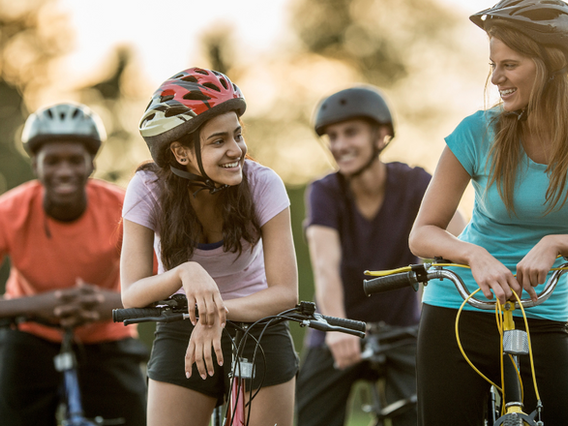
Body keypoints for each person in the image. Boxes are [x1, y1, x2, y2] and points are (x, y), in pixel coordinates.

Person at [408, 0, 568, 424]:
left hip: (547, 316)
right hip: (460, 311)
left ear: (552, 65)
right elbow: (423, 232)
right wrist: (473, 255)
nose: (496, 78)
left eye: (509, 65)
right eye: (493, 65)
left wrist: (556, 242)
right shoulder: (477, 131)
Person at [120, 67, 299, 426]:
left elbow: (285, 292)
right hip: (182, 321)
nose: (236, 150)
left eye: (237, 135)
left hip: (257, 320)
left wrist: (217, 313)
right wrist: (186, 272)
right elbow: (132, 294)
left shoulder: (263, 184)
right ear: (181, 153)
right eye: (219, 141)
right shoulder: (148, 188)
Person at [295, 86, 465, 426]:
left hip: (402, 330)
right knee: (309, 419)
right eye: (333, 136)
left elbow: (461, 241)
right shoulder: (325, 192)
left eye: (351, 132)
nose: (340, 144)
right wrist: (338, 328)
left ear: (382, 135)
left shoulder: (415, 183)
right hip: (337, 328)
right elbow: (325, 267)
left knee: (426, 415)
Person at [0, 102, 148, 425]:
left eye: (75, 160)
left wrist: (107, 304)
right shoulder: (8, 212)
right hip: (29, 335)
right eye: (52, 161)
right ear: (35, 165)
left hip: (107, 336)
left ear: (91, 164)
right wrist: (42, 304)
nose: (64, 171)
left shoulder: (124, 208)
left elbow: (164, 281)